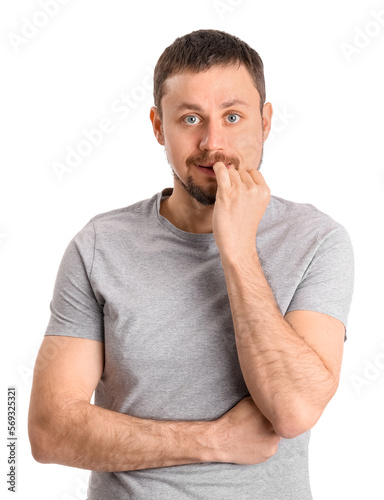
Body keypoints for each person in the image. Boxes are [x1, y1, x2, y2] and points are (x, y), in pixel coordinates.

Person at [28, 29, 354, 499]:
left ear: (264, 122)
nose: (212, 142)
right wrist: (215, 441)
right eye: (190, 118)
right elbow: (47, 431)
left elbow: (293, 409)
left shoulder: (318, 241)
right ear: (159, 127)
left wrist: (237, 247)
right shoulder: (99, 245)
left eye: (233, 116)